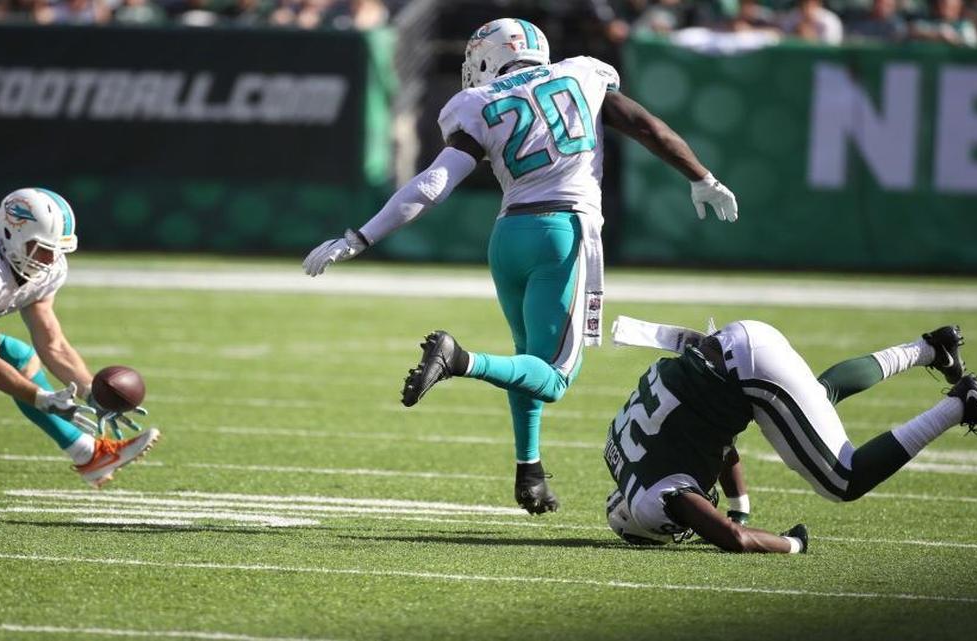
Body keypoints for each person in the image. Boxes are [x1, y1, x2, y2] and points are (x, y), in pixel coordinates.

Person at [302, 18, 738, 515]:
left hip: (509, 237)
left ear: (488, 58)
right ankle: (459, 359)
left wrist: (359, 236)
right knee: (553, 376)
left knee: (526, 359)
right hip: (564, 234)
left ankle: (528, 471)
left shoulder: (478, 104)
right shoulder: (583, 75)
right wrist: (700, 175)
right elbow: (646, 127)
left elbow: (433, 183)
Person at [603, 317, 977, 553]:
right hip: (738, 340)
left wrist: (793, 544)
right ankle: (931, 349)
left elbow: (734, 540)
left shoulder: (656, 499)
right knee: (817, 400)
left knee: (843, 480)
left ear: (647, 520)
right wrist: (740, 507)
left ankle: (960, 405)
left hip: (748, 370)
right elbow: (721, 449)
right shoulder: (622, 450)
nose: (682, 528)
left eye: (673, 529)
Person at [0, 188, 160, 488]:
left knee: (19, 358)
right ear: (10, 232)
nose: (49, 259)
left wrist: (91, 392)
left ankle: (91, 454)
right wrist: (41, 398)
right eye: (41, 248)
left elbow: (52, 343)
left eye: (57, 250)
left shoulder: (46, 264)